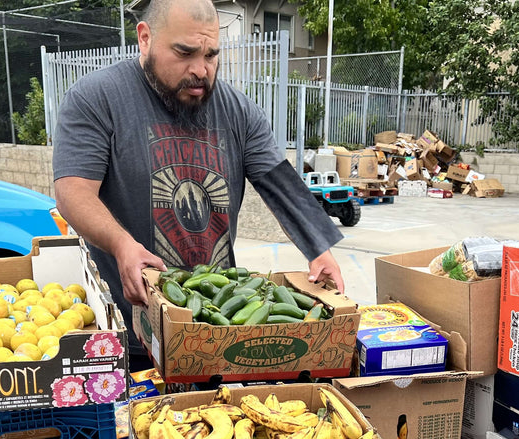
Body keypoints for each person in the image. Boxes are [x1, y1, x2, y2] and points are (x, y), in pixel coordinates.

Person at [52, 0, 345, 368]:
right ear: (145, 38)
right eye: (185, 53)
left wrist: (319, 249)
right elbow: (72, 190)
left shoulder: (239, 110)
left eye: (211, 55)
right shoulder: (98, 97)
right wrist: (122, 244)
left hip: (216, 327)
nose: (200, 70)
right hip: (129, 333)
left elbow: (279, 181)